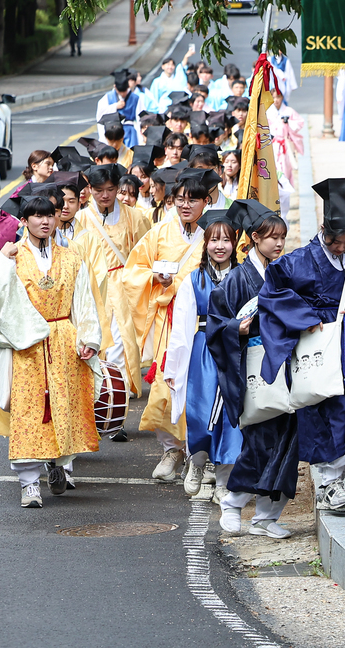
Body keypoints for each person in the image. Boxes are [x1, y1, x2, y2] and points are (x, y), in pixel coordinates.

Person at [260, 178, 345, 515]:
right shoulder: (297, 262)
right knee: (323, 412)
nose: (341, 248)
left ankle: (337, 480)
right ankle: (328, 485)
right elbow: (271, 292)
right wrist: (304, 316)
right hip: (317, 348)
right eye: (335, 241)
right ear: (323, 230)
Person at [0, 184, 102, 507]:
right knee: (30, 410)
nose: (45, 222)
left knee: (65, 403)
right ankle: (29, 482)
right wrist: (3, 257)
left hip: (62, 339)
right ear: (25, 220)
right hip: (28, 345)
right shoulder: (14, 256)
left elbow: (84, 300)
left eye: (49, 215)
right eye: (36, 216)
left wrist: (88, 338)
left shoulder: (71, 257)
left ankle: (61, 464)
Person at [205, 199, 295, 537]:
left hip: (284, 368)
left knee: (289, 442)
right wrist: (235, 329)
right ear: (255, 238)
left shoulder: (283, 272)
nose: (279, 244)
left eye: (283, 238)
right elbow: (215, 325)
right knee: (259, 441)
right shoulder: (235, 280)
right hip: (253, 370)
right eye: (272, 237)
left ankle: (267, 516)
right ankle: (233, 502)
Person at [124, 167, 212, 481]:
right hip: (168, 318)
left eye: (193, 199)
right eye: (180, 199)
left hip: (202, 321)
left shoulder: (213, 234)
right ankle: (171, 449)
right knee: (166, 383)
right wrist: (154, 278)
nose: (186, 205)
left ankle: (199, 453)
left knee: (200, 384)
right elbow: (133, 271)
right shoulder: (160, 232)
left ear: (207, 201)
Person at [162, 211, 239, 501]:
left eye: (226, 240)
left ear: (235, 243)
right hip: (204, 350)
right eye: (214, 240)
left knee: (231, 419)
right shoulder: (194, 280)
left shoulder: (242, 276)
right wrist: (174, 367)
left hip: (235, 351)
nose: (220, 246)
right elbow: (181, 328)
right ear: (205, 244)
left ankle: (223, 482)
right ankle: (197, 462)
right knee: (201, 412)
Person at [72, 163, 151, 400]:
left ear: (118, 188)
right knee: (91, 342)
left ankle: (117, 402)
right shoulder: (80, 218)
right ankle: (95, 398)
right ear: (90, 190)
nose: (104, 195)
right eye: (98, 190)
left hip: (123, 287)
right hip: (89, 288)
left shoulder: (135, 217)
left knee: (120, 343)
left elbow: (146, 253)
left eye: (109, 189)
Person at [0, 149, 55, 250]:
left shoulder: (53, 189)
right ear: (34, 166)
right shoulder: (24, 190)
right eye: (48, 164)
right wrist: (21, 224)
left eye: (52, 165)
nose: (51, 168)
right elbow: (6, 216)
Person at [96, 71, 141, 146]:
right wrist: (114, 106)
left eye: (125, 91)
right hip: (113, 132)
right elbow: (100, 116)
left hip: (130, 132)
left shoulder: (135, 98)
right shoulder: (107, 97)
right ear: (115, 87)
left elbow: (140, 118)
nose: (123, 94)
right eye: (120, 91)